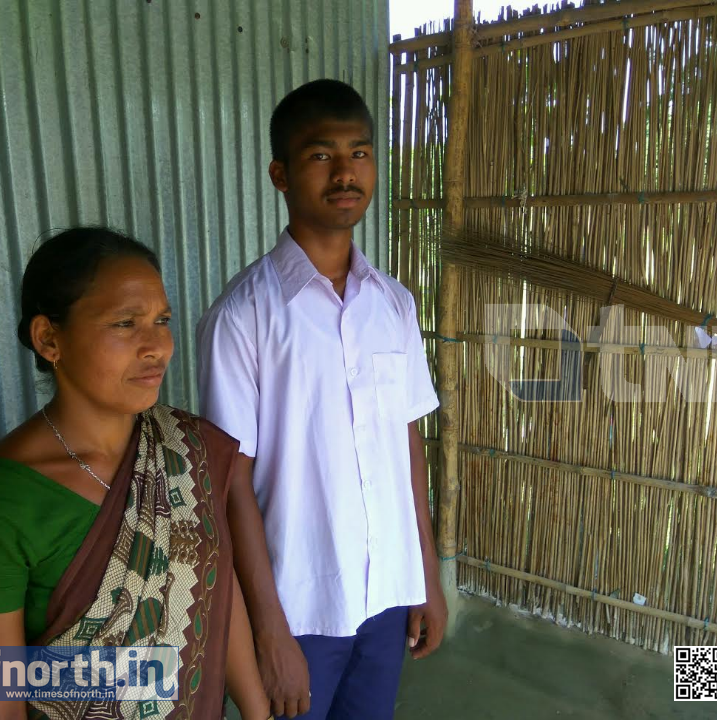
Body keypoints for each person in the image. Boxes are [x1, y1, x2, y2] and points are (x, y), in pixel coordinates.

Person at [0, 227, 270, 720]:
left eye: (162, 320)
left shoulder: (184, 449)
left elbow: (212, 592)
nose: (157, 346)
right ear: (49, 338)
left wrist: (258, 712)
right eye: (125, 323)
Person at [197, 79, 447, 720]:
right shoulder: (243, 316)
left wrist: (426, 575)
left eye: (359, 153)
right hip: (299, 605)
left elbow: (407, 443)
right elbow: (231, 481)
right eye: (320, 155)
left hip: (389, 594)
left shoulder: (393, 305)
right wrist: (268, 630)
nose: (345, 173)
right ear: (280, 173)